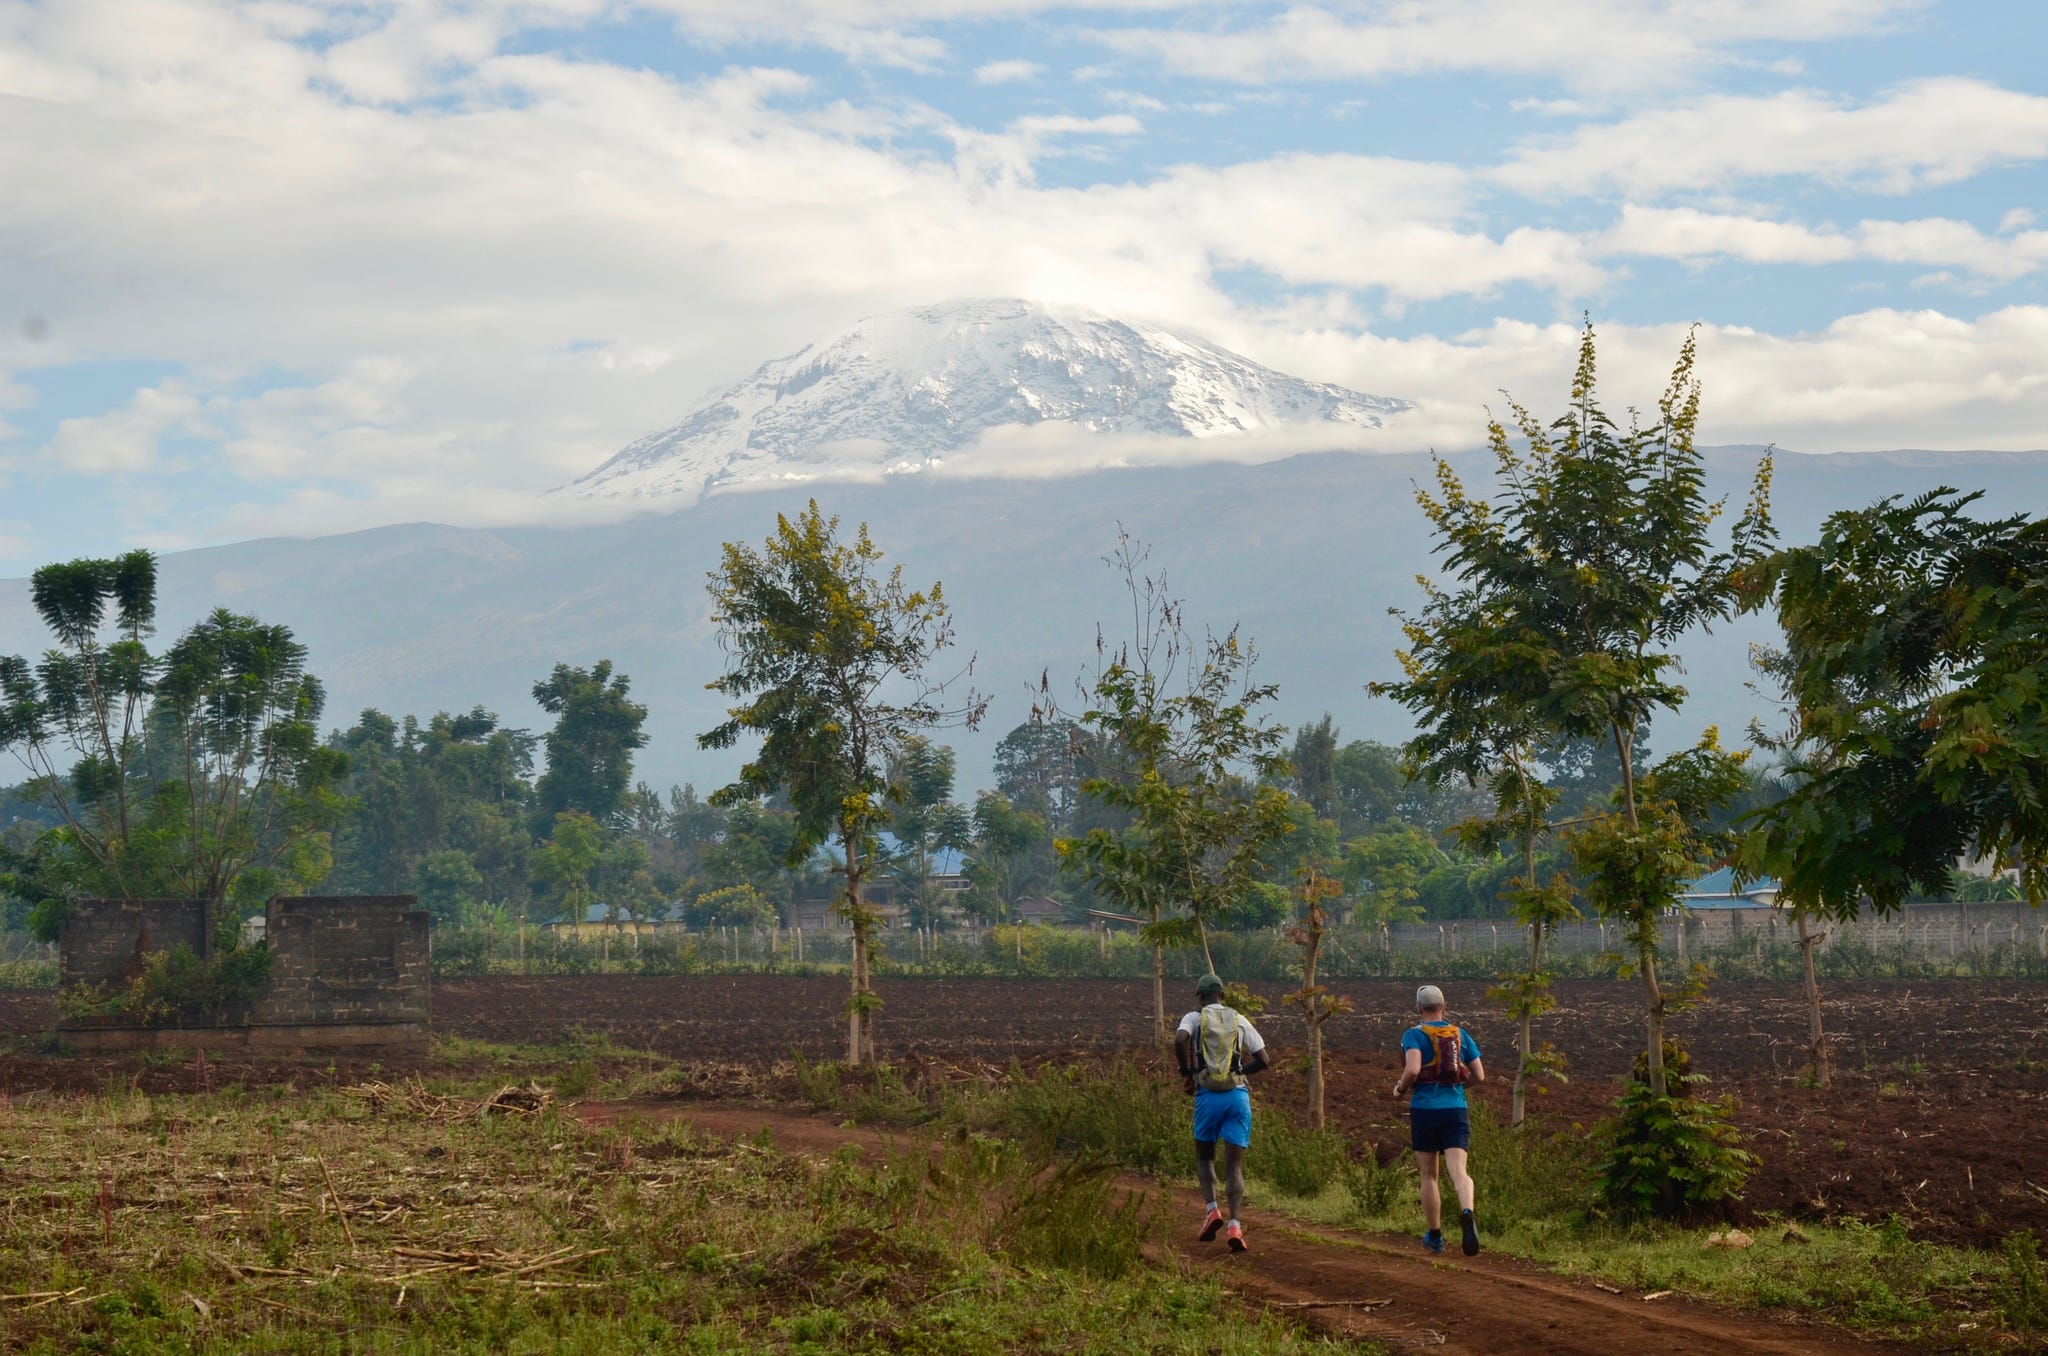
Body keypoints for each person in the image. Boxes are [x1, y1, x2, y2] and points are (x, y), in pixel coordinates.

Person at [1175, 973, 1270, 1253]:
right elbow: (1264, 1060)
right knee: (1234, 1166)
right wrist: (1239, 1072)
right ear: (1223, 996)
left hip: (1208, 1097)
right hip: (1237, 1098)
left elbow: (1180, 1040)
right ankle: (1235, 1225)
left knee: (1205, 1156)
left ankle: (1212, 1210)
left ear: (1201, 997)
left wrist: (1187, 1073)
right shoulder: (1239, 1020)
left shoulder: (1194, 1018)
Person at [1391, 983, 1485, 1256]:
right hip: (1456, 1108)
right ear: (1444, 1007)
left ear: (1419, 1009)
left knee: (1429, 1175)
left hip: (1425, 1109)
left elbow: (1413, 1069)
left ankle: (1435, 1236)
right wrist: (1457, 1091)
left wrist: (1399, 1089)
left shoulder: (1413, 1035)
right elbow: (1479, 1075)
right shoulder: (1461, 1034)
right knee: (1460, 1172)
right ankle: (1467, 1211)